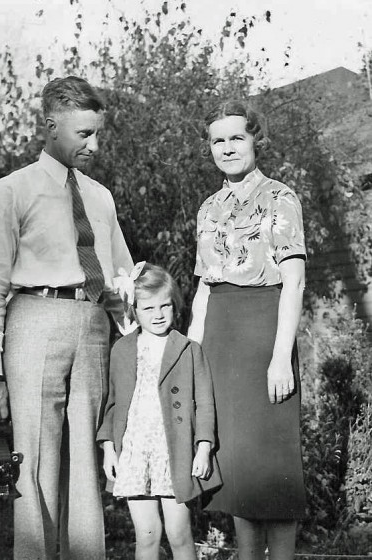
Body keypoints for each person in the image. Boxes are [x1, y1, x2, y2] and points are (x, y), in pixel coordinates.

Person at [0, 76, 133, 560]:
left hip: (91, 326)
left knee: (84, 459)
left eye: (98, 133)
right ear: (50, 127)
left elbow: (123, 276)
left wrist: (132, 330)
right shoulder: (12, 190)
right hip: (33, 323)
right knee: (36, 459)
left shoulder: (101, 197)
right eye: (84, 134)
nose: (95, 145)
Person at [187, 99, 307, 560]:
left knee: (271, 469)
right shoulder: (209, 207)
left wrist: (281, 357)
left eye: (237, 137)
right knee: (235, 470)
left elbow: (293, 280)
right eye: (218, 140)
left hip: (265, 333)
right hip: (220, 336)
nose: (228, 148)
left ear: (256, 140)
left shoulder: (280, 197)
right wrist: (192, 358)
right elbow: (203, 289)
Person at [97, 262, 222, 560]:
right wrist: (109, 448)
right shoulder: (122, 349)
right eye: (148, 308)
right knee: (147, 535)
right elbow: (112, 403)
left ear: (175, 307)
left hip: (173, 454)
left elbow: (205, 403)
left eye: (165, 306)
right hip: (135, 453)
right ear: (134, 310)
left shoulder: (189, 349)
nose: (158, 315)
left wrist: (203, 449)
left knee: (179, 534)